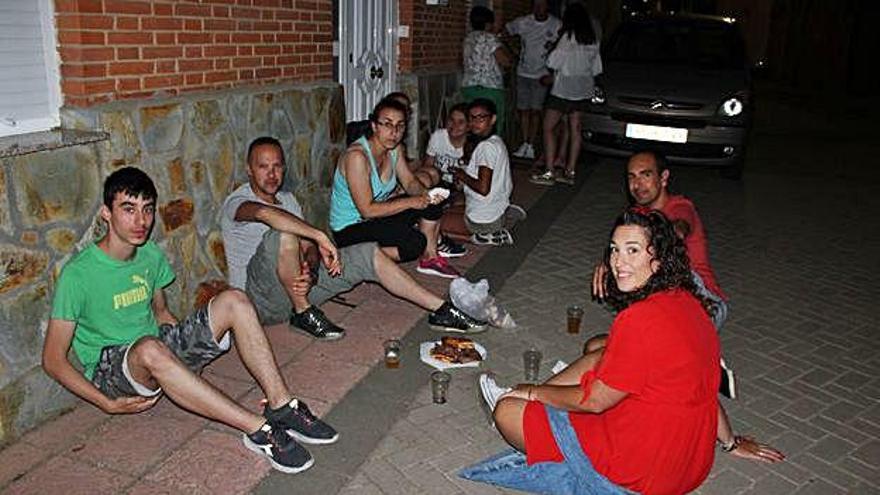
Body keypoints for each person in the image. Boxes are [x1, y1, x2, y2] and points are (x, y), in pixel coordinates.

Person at [42, 167, 338, 475]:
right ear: (106, 213)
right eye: (128, 210)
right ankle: (259, 430)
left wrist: (185, 352)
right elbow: (53, 360)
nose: (141, 221)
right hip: (112, 371)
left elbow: (160, 313)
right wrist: (105, 403)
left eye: (147, 210)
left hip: (154, 350)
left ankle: (281, 404)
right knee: (150, 348)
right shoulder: (78, 275)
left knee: (234, 299)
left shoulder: (149, 254)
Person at [470, 208, 783, 495]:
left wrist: (535, 392)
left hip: (640, 470)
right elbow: (703, 385)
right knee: (599, 348)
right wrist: (729, 443)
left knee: (507, 410)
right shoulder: (690, 304)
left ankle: (530, 402)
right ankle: (540, 399)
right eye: (614, 250)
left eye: (632, 250)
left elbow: (594, 402)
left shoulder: (638, 320)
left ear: (658, 258)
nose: (618, 262)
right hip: (688, 466)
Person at [222, 137, 486, 339]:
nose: (272, 174)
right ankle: (303, 314)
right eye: (263, 167)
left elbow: (308, 247)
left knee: (367, 252)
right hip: (260, 301)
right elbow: (265, 214)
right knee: (282, 234)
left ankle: (441, 310)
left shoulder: (288, 200)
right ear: (249, 169)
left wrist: (312, 270)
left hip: (297, 290)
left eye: (277, 166)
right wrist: (319, 235)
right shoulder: (239, 201)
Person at [592, 150, 728, 328]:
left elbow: (678, 228)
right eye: (632, 177)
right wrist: (610, 260)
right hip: (669, 301)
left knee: (652, 259)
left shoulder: (680, 207)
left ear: (663, 178)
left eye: (645, 175)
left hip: (705, 302)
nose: (637, 185)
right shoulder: (637, 213)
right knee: (597, 347)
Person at [330, 98, 461, 278]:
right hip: (351, 227)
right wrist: (412, 202)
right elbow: (367, 210)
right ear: (374, 126)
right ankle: (353, 258)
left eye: (400, 126)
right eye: (387, 125)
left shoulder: (394, 149)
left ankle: (430, 258)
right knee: (414, 243)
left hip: (377, 217)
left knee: (431, 205)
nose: (394, 132)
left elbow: (409, 183)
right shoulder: (357, 157)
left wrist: (426, 195)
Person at [530, 2, 602, 186]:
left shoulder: (568, 37)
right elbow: (596, 68)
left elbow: (553, 62)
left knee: (548, 128)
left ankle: (549, 171)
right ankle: (570, 171)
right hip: (583, 89)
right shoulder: (592, 39)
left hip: (563, 90)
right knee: (575, 129)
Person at [442, 98, 525, 246]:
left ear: (493, 119)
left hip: (482, 221)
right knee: (451, 208)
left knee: (430, 224)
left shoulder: (486, 147)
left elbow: (483, 188)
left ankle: (487, 237)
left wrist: (462, 175)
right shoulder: (496, 141)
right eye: (472, 118)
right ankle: (503, 216)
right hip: (492, 212)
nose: (475, 122)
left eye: (481, 117)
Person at [411, 103, 471, 258]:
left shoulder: (473, 144)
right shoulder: (439, 136)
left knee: (463, 206)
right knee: (425, 177)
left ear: (469, 126)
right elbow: (428, 166)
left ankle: (434, 227)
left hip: (460, 189)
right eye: (451, 120)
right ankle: (428, 223)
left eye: (461, 122)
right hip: (439, 184)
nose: (454, 125)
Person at [506, 0, 561, 160]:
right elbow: (505, 32)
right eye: (536, 5)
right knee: (523, 110)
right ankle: (524, 142)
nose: (538, 8)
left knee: (536, 111)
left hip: (541, 75)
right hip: (523, 72)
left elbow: (563, 42)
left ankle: (530, 145)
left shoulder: (556, 24)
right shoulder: (524, 22)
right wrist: (514, 51)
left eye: (542, 5)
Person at [461, 6, 512, 139]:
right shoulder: (490, 38)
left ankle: (472, 149)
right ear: (488, 23)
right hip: (491, 88)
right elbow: (505, 61)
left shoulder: (467, 38)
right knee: (492, 124)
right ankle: (492, 153)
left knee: (472, 122)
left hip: (469, 86)